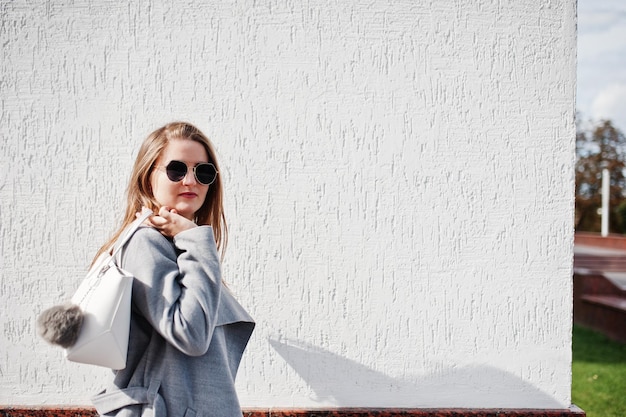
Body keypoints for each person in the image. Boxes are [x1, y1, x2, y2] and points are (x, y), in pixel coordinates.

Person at [91, 122, 255, 417]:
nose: (190, 181)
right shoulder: (145, 243)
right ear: (148, 176)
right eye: (176, 169)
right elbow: (189, 333)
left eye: (202, 172)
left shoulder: (183, 247)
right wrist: (195, 240)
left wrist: (191, 240)